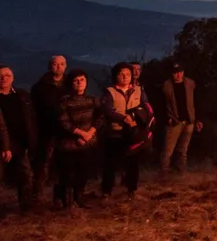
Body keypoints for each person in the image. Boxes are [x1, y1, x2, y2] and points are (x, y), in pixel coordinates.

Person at [102, 61, 151, 199]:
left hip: (133, 132)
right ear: (115, 76)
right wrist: (123, 118)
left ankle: (132, 190)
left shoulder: (139, 90)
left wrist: (139, 118)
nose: (125, 77)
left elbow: (146, 107)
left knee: (133, 163)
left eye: (128, 74)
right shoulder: (110, 92)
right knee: (111, 164)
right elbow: (107, 110)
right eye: (121, 74)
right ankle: (106, 191)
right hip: (115, 133)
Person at [55, 71, 101, 210]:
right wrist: (81, 134)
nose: (79, 82)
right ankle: (66, 201)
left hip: (88, 142)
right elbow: (63, 122)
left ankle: (79, 197)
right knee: (68, 172)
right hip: (69, 143)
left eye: (82, 79)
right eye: (76, 80)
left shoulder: (93, 100)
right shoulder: (64, 101)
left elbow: (100, 118)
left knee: (83, 171)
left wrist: (89, 134)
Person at [0, 66, 39, 213]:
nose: (3, 78)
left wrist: (32, 138)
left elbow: (31, 117)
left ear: (13, 78)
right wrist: (5, 146)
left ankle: (26, 206)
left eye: (7, 75)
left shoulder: (21, 95)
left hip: (20, 142)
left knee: (26, 175)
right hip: (2, 144)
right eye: (1, 76)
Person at [30, 55, 69, 198]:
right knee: (43, 163)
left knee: (64, 164)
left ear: (65, 66)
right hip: (47, 130)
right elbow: (33, 111)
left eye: (61, 64)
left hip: (66, 131)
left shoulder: (70, 84)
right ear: (49, 66)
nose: (58, 67)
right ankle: (37, 197)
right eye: (55, 64)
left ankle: (62, 197)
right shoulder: (40, 87)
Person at [160, 63, 202, 174]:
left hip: (189, 121)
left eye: (180, 72)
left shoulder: (190, 84)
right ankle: (164, 174)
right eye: (175, 73)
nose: (178, 75)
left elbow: (196, 102)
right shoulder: (166, 86)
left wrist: (198, 119)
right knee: (168, 150)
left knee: (183, 150)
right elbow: (160, 105)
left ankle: (181, 173)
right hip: (174, 121)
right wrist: (166, 118)